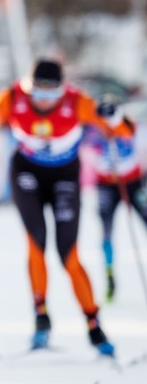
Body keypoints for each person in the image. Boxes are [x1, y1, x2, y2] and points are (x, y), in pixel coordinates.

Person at [0, 58, 127, 355]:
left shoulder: (77, 102)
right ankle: (41, 317)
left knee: (69, 254)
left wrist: (113, 115)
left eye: (51, 93)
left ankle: (94, 325)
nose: (43, 100)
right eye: (38, 91)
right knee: (35, 243)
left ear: (62, 90)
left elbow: (123, 130)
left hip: (64, 175)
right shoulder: (13, 97)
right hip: (27, 172)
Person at [86, 97, 147, 302]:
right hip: (106, 185)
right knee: (106, 231)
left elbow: (132, 134)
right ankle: (110, 275)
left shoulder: (126, 123)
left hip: (133, 182)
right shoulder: (93, 128)